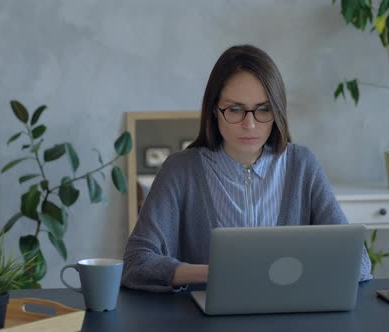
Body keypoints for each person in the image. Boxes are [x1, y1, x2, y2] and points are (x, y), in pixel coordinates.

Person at [122, 45, 372, 292]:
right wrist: (215, 273)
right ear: (213, 110)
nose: (250, 125)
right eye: (235, 109)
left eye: (263, 109)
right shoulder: (180, 170)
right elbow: (136, 262)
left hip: (288, 316)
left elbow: (359, 263)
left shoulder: (302, 165)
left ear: (278, 111)